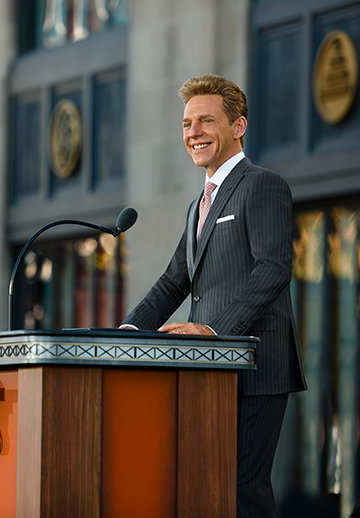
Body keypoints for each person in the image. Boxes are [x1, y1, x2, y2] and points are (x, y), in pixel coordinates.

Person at [119, 73, 307, 517]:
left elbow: (273, 269)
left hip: (254, 366)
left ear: (238, 126)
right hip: (207, 370)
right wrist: (126, 333)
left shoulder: (262, 184)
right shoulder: (198, 205)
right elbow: (173, 282)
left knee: (242, 491)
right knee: (209, 490)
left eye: (206, 120)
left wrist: (213, 331)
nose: (194, 133)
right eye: (187, 124)